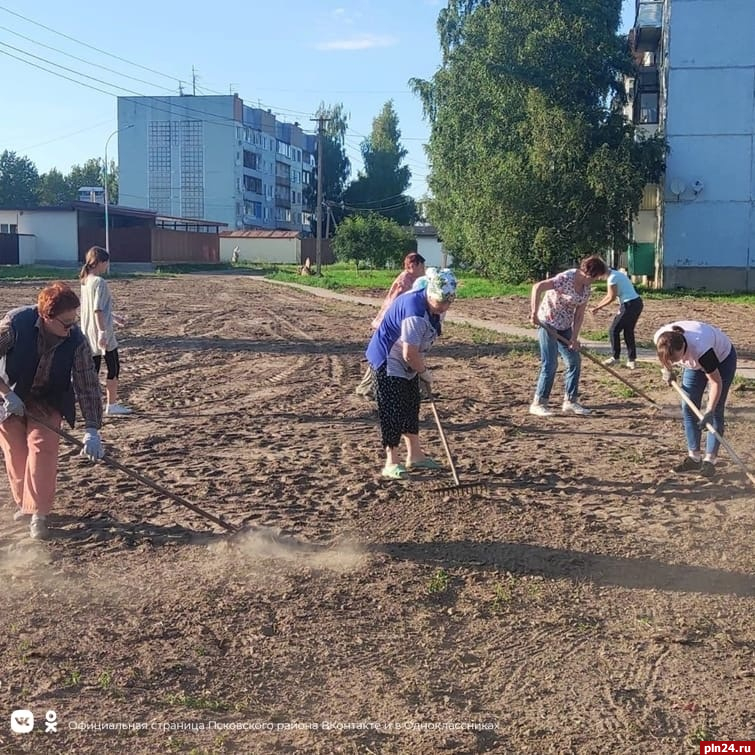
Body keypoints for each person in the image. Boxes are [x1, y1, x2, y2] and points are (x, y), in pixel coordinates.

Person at [0, 281, 105, 540]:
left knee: (43, 447)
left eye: (74, 322)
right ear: (46, 317)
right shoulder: (14, 324)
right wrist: (7, 394)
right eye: (66, 324)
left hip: (49, 399)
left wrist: (92, 429)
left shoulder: (77, 340)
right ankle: (25, 503)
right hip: (10, 395)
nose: (71, 330)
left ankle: (39, 513)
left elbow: (87, 383)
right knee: (15, 451)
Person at [365, 268, 457, 479]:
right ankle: (392, 462)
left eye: (448, 303)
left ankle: (415, 456)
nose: (444, 307)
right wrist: (423, 371)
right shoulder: (415, 311)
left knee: (410, 405)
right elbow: (409, 354)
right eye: (441, 302)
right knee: (393, 409)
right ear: (430, 294)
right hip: (389, 358)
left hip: (409, 358)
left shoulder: (434, 303)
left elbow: (416, 348)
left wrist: (419, 368)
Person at [654, 320, 737, 478]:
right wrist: (667, 370)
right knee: (689, 406)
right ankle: (694, 458)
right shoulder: (660, 338)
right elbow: (664, 357)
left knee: (716, 409)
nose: (674, 362)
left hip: (722, 359)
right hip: (694, 364)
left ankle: (709, 461)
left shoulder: (701, 349)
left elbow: (715, 382)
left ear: (683, 348)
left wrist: (709, 411)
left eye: (676, 359)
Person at [529, 254, 608, 416]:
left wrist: (574, 337)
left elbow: (579, 314)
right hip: (547, 322)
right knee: (550, 364)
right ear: (588, 273)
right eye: (596, 277)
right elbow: (537, 287)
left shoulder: (586, 289)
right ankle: (539, 403)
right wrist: (534, 313)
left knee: (574, 361)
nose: (596, 281)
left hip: (565, 326)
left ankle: (570, 401)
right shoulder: (565, 278)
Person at [355, 252, 426, 398]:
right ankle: (365, 387)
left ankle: (420, 390)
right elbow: (395, 303)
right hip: (391, 325)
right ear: (414, 265)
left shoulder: (411, 279)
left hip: (394, 324)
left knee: (406, 353)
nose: (424, 270)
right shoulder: (405, 281)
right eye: (422, 266)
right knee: (384, 356)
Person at [79, 246, 132, 416]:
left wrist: (114, 317)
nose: (107, 266)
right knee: (113, 367)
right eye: (106, 262)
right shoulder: (100, 282)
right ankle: (112, 404)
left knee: (92, 370)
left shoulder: (86, 281)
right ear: (100, 262)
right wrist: (102, 332)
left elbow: (94, 307)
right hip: (102, 333)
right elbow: (98, 310)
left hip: (88, 332)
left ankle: (91, 406)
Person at [590, 267, 644, 369]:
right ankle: (631, 360)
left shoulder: (612, 278)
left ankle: (615, 357)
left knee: (613, 330)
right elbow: (608, 295)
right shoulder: (616, 274)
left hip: (629, 304)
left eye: (597, 276)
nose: (599, 278)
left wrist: (598, 307)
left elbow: (612, 297)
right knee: (628, 331)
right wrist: (597, 306)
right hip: (636, 302)